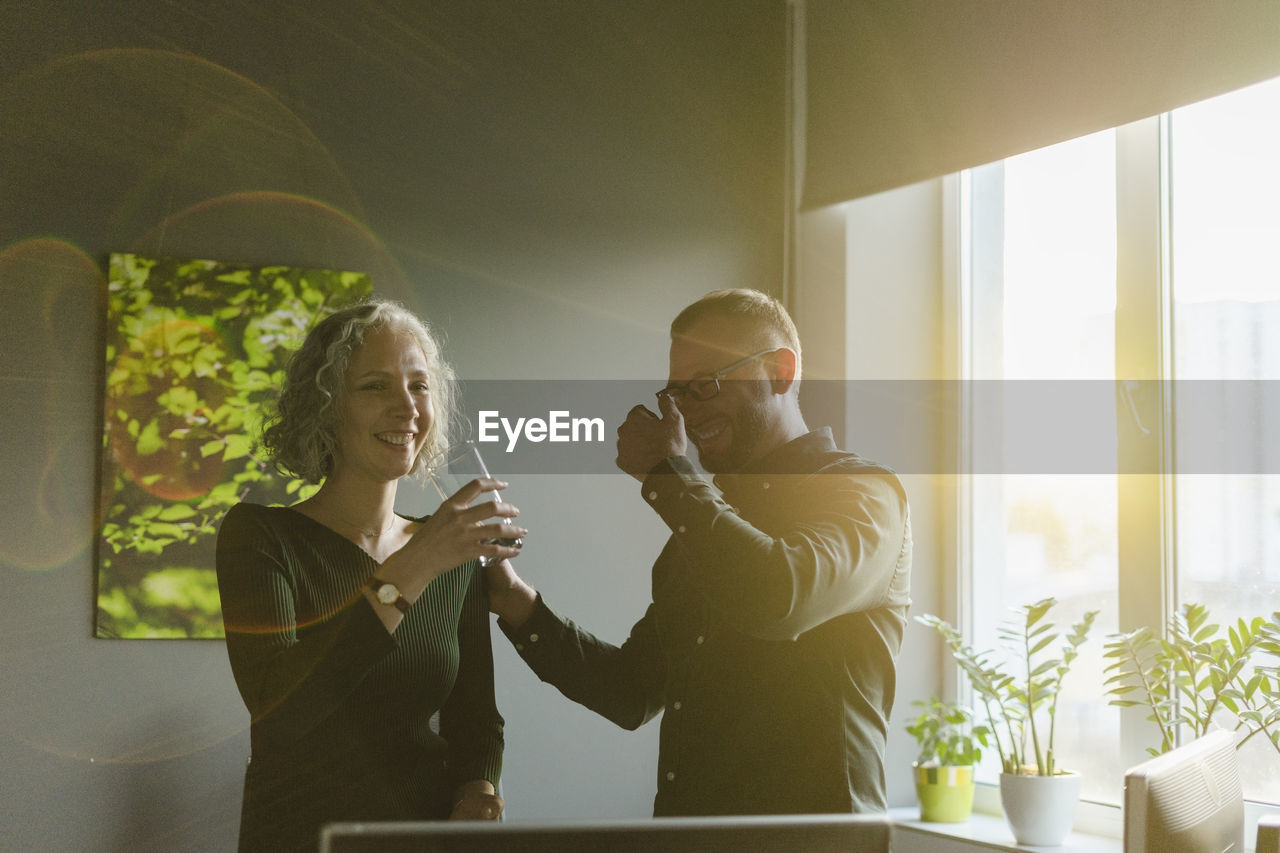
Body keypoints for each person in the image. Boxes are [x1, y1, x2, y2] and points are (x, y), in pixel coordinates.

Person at [485, 288, 912, 816]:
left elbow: (780, 596)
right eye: (678, 392)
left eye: (707, 385)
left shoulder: (864, 494)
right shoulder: (701, 533)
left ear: (781, 371)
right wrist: (513, 599)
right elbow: (630, 692)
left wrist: (667, 476)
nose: (687, 411)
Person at [216, 298, 527, 852]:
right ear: (327, 407)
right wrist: (415, 564)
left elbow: (476, 720)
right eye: (376, 387)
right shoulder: (261, 537)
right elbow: (282, 715)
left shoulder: (448, 548)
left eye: (419, 386)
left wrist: (477, 790)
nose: (406, 407)